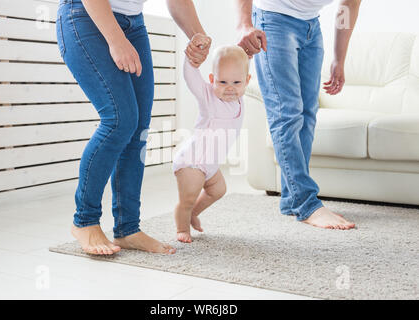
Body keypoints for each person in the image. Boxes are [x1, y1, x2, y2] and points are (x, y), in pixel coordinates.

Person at [56, 0, 211, 255]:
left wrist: (197, 35)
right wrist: (116, 40)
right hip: (85, 14)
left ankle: (128, 228)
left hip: (133, 23)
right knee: (119, 119)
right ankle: (85, 220)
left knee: (137, 129)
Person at [235, 0, 362, 229]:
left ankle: (291, 199)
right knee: (287, 113)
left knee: (307, 114)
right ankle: (306, 204)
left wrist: (339, 59)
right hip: (273, 20)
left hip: (311, 27)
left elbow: (348, 6)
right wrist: (244, 23)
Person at [173, 38, 251, 243]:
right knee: (187, 198)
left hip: (210, 164)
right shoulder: (208, 96)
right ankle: (182, 227)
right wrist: (192, 60)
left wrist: (248, 52)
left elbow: (240, 63)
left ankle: (193, 214)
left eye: (236, 82)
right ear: (212, 79)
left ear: (247, 80)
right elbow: (191, 78)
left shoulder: (239, 100)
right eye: (222, 82)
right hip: (193, 161)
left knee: (218, 190)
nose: (230, 88)